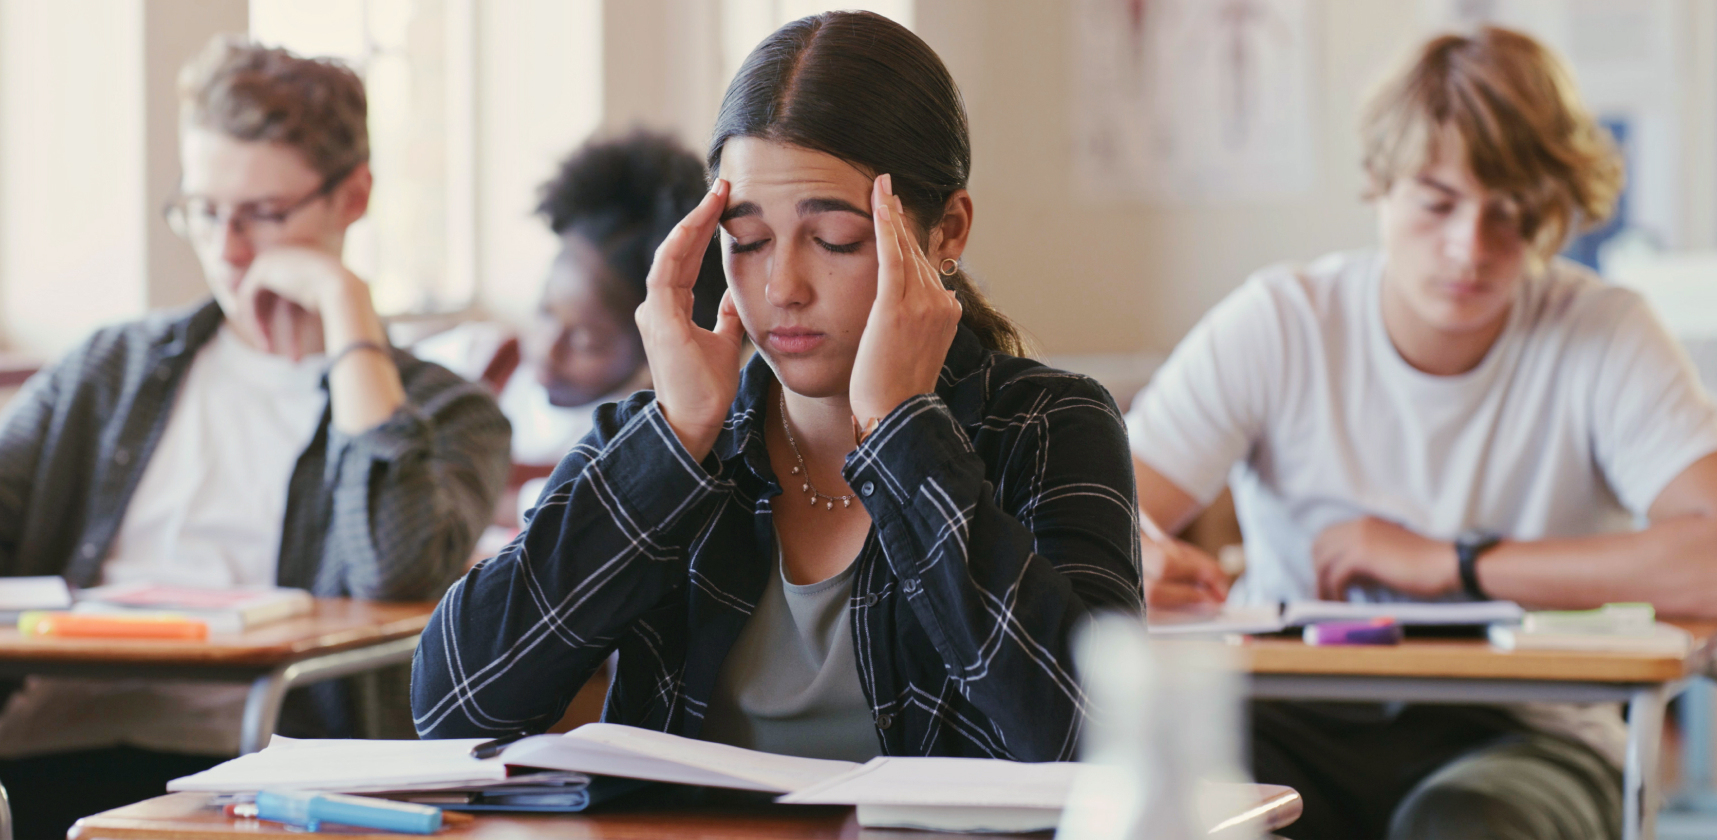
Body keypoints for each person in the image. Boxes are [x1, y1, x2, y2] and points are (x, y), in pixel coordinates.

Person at [412, 10, 1142, 762]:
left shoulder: (1050, 425)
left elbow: (1094, 743)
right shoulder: (672, 438)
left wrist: (903, 432)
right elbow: (455, 704)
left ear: (947, 231)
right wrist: (676, 441)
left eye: (836, 240)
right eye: (749, 241)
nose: (784, 287)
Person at [0, 37, 510, 838]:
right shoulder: (115, 367)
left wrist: (345, 308)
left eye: (263, 214)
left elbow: (398, 568)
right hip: (47, 754)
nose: (227, 249)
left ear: (352, 196)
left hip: (265, 771)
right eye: (204, 211)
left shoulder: (448, 410)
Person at [1128, 27, 1717, 840]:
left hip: (1534, 736)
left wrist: (1450, 564)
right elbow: (1094, 508)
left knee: (1463, 822)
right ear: (1381, 183)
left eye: (1511, 214)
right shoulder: (1282, 322)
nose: (1470, 249)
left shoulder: (1603, 332)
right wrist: (1132, 547)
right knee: (1186, 806)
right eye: (1438, 203)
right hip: (1295, 717)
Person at [414, 131, 728, 526]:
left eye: (586, 341)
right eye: (545, 311)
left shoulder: (641, 438)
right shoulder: (477, 359)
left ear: (648, 350)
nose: (548, 347)